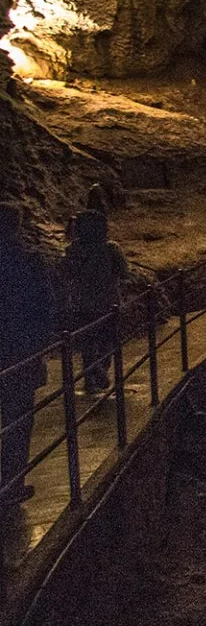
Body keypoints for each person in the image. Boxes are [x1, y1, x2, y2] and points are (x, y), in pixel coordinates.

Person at [0, 205, 53, 506]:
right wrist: (41, 342)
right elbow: (45, 305)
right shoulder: (29, 261)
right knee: (17, 421)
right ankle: (10, 486)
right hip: (19, 351)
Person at [58, 203, 128, 394]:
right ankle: (100, 372)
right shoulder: (112, 249)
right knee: (107, 341)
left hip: (82, 303)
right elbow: (124, 273)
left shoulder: (73, 250)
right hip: (107, 303)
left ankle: (91, 377)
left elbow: (64, 273)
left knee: (88, 342)